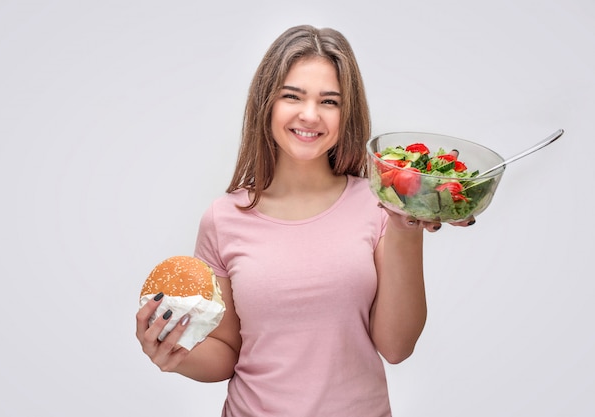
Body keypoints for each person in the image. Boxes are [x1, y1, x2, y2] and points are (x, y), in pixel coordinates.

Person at [135, 24, 474, 416]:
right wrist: (173, 352)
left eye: (329, 102)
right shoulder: (222, 218)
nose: (310, 115)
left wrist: (406, 226)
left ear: (347, 113)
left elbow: (397, 347)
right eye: (292, 96)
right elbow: (227, 354)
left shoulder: (380, 205)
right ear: (267, 103)